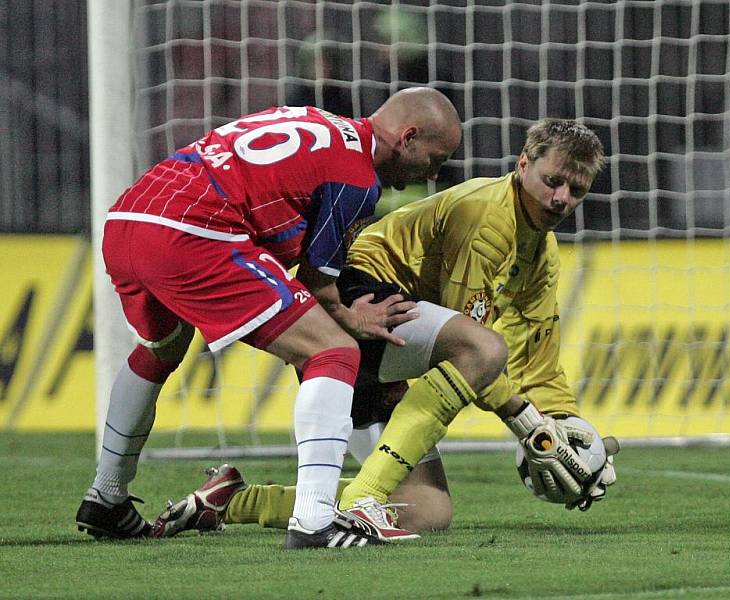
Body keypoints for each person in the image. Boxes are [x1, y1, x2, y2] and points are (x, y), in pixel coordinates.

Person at [152, 119, 616, 542]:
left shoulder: (541, 252)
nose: (561, 199)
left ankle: (228, 500)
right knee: (481, 348)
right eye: (552, 181)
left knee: (426, 511)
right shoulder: (488, 217)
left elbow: (537, 351)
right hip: (362, 301)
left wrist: (565, 422)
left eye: (576, 190)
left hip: (395, 336)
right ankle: (363, 499)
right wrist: (529, 424)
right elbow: (470, 349)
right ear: (522, 164)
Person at [75, 87, 462, 549]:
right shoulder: (357, 176)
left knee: (160, 350)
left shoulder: (317, 121)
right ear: (408, 137)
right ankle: (316, 520)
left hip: (131, 218)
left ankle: (107, 496)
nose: (435, 173)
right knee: (334, 350)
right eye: (435, 158)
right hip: (195, 231)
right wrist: (352, 319)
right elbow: (320, 286)